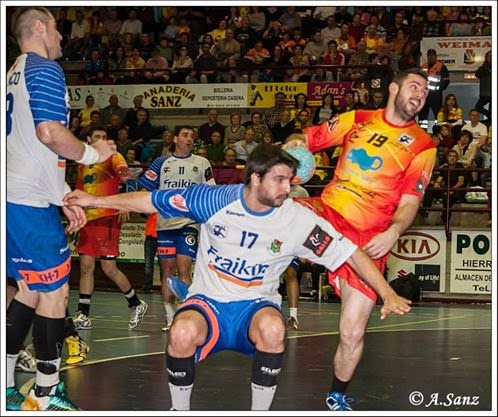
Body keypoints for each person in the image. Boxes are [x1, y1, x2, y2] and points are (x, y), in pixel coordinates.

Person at [64, 143, 412, 411]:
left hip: (254, 307)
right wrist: (93, 199)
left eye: (290, 180)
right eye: (279, 180)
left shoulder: (298, 220)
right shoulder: (212, 200)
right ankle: (179, 409)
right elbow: (149, 201)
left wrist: (387, 292)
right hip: (209, 303)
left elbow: (351, 253)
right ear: (255, 178)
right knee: (181, 332)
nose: (287, 187)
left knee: (273, 329)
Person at [284, 68, 436, 410]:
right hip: (328, 212)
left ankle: (336, 396)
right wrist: (295, 143)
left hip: (369, 240)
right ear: (393, 88)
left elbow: (410, 202)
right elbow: (307, 138)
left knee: (352, 332)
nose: (420, 94)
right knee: (271, 207)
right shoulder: (358, 118)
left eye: (425, 92)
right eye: (415, 86)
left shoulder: (424, 146)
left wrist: (393, 232)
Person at [6, 7, 115, 411]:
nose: (61, 36)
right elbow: (50, 133)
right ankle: (47, 391)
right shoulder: (44, 68)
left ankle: (6, 387)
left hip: (15, 197)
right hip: (27, 204)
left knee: (29, 290)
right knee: (55, 291)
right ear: (39, 27)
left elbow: (28, 148)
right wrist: (93, 153)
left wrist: (63, 195)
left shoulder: (13, 72)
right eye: (56, 27)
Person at [138, 126, 216, 331]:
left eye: (192, 136)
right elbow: (144, 186)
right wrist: (146, 207)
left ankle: (186, 317)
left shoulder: (202, 163)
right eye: (185, 135)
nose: (189, 139)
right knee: (167, 271)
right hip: (165, 223)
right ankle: (170, 316)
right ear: (175, 139)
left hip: (189, 223)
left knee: (184, 268)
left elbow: (212, 191)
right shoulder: (161, 162)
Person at [72, 126, 148, 331]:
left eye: (105, 137)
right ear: (89, 139)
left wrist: (125, 204)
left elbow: (130, 181)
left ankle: (136, 304)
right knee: (86, 267)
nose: (102, 139)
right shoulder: (83, 162)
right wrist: (76, 215)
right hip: (88, 220)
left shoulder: (114, 157)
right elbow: (78, 191)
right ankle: (83, 314)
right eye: (97, 136)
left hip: (107, 219)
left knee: (109, 268)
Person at [418, 49, 450, 130]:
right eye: (429, 55)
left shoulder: (441, 67)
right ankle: (422, 131)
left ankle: (438, 131)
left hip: (436, 95)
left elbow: (446, 81)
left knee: (438, 114)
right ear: (427, 56)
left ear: (436, 56)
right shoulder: (422, 67)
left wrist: (439, 89)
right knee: (422, 115)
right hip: (424, 95)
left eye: (432, 55)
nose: (431, 57)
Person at [474, 50, 491, 122]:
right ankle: (490, 116)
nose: (490, 57)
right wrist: (486, 66)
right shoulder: (483, 67)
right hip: (484, 93)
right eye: (489, 56)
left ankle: (490, 120)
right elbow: (477, 74)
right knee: (478, 107)